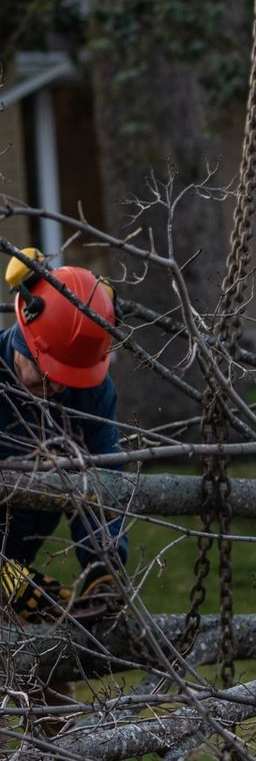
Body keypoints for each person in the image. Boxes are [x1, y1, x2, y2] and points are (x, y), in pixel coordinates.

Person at [0, 249, 126, 628]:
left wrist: (104, 563)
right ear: (25, 329)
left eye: (67, 377)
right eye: (47, 371)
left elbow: (103, 474)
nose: (54, 386)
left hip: (21, 552)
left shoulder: (91, 395)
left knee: (44, 677)